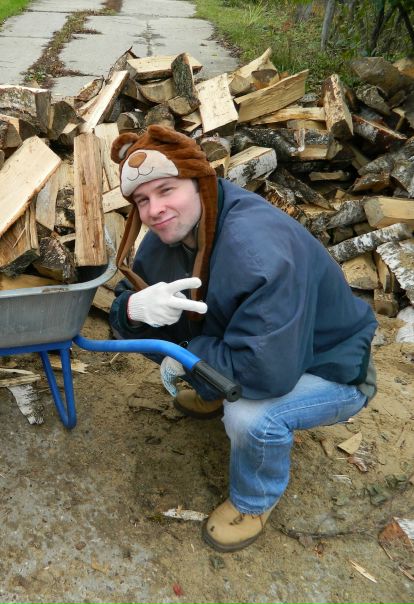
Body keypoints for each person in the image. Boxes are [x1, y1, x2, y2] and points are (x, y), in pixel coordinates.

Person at [109, 125, 377, 553]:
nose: (154, 209)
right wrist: (133, 311)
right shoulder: (170, 235)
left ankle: (253, 502)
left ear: (199, 182)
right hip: (263, 348)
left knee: (252, 418)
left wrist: (185, 354)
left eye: (166, 190)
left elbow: (266, 373)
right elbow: (126, 314)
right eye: (142, 199)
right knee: (176, 342)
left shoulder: (258, 251)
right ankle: (214, 391)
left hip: (330, 365)